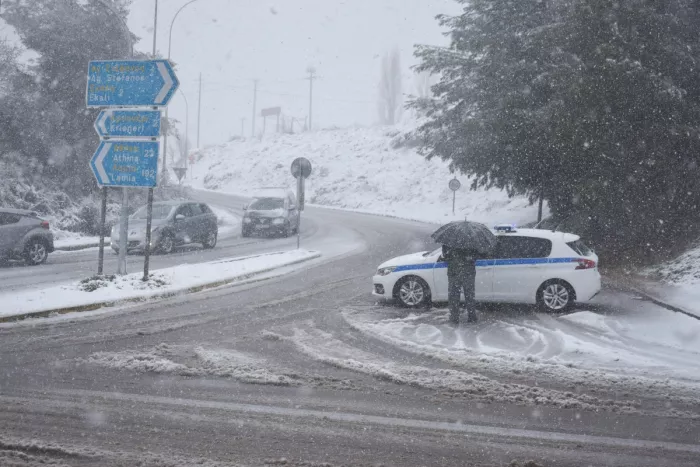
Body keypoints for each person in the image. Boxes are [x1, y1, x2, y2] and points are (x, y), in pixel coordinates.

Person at [442, 244, 478, 325]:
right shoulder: (471, 241)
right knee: (467, 296)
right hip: (461, 273)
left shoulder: (449, 242)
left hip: (461, 273)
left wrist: (470, 258)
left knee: (459, 296)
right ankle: (468, 317)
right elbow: (445, 257)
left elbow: (445, 257)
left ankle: (457, 318)